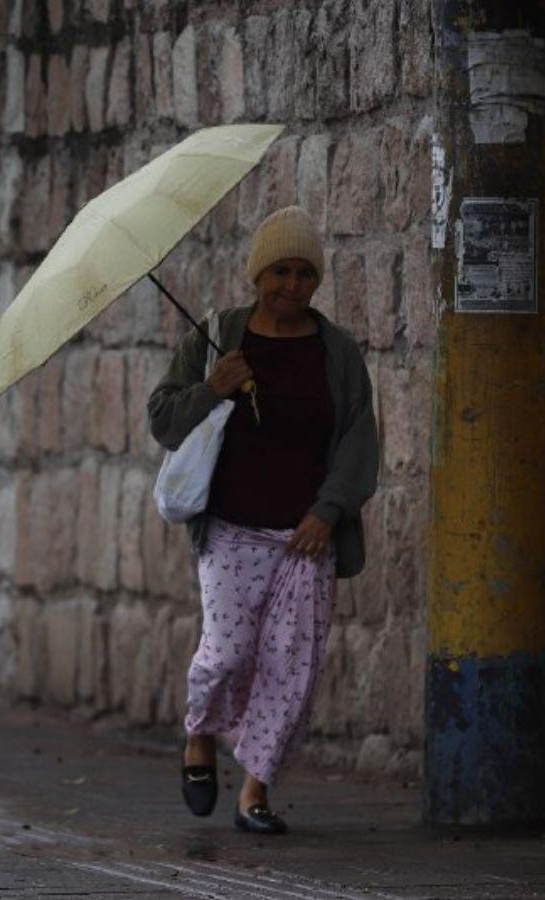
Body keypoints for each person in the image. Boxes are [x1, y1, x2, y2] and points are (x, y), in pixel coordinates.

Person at [147, 206, 379, 835]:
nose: (291, 286)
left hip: (307, 538)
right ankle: (199, 735)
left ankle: (255, 792)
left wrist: (326, 513)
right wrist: (214, 387)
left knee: (290, 670)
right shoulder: (217, 336)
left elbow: (360, 441)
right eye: (280, 271)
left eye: (305, 274)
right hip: (231, 530)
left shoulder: (336, 352)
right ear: (257, 273)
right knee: (226, 654)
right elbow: (163, 419)